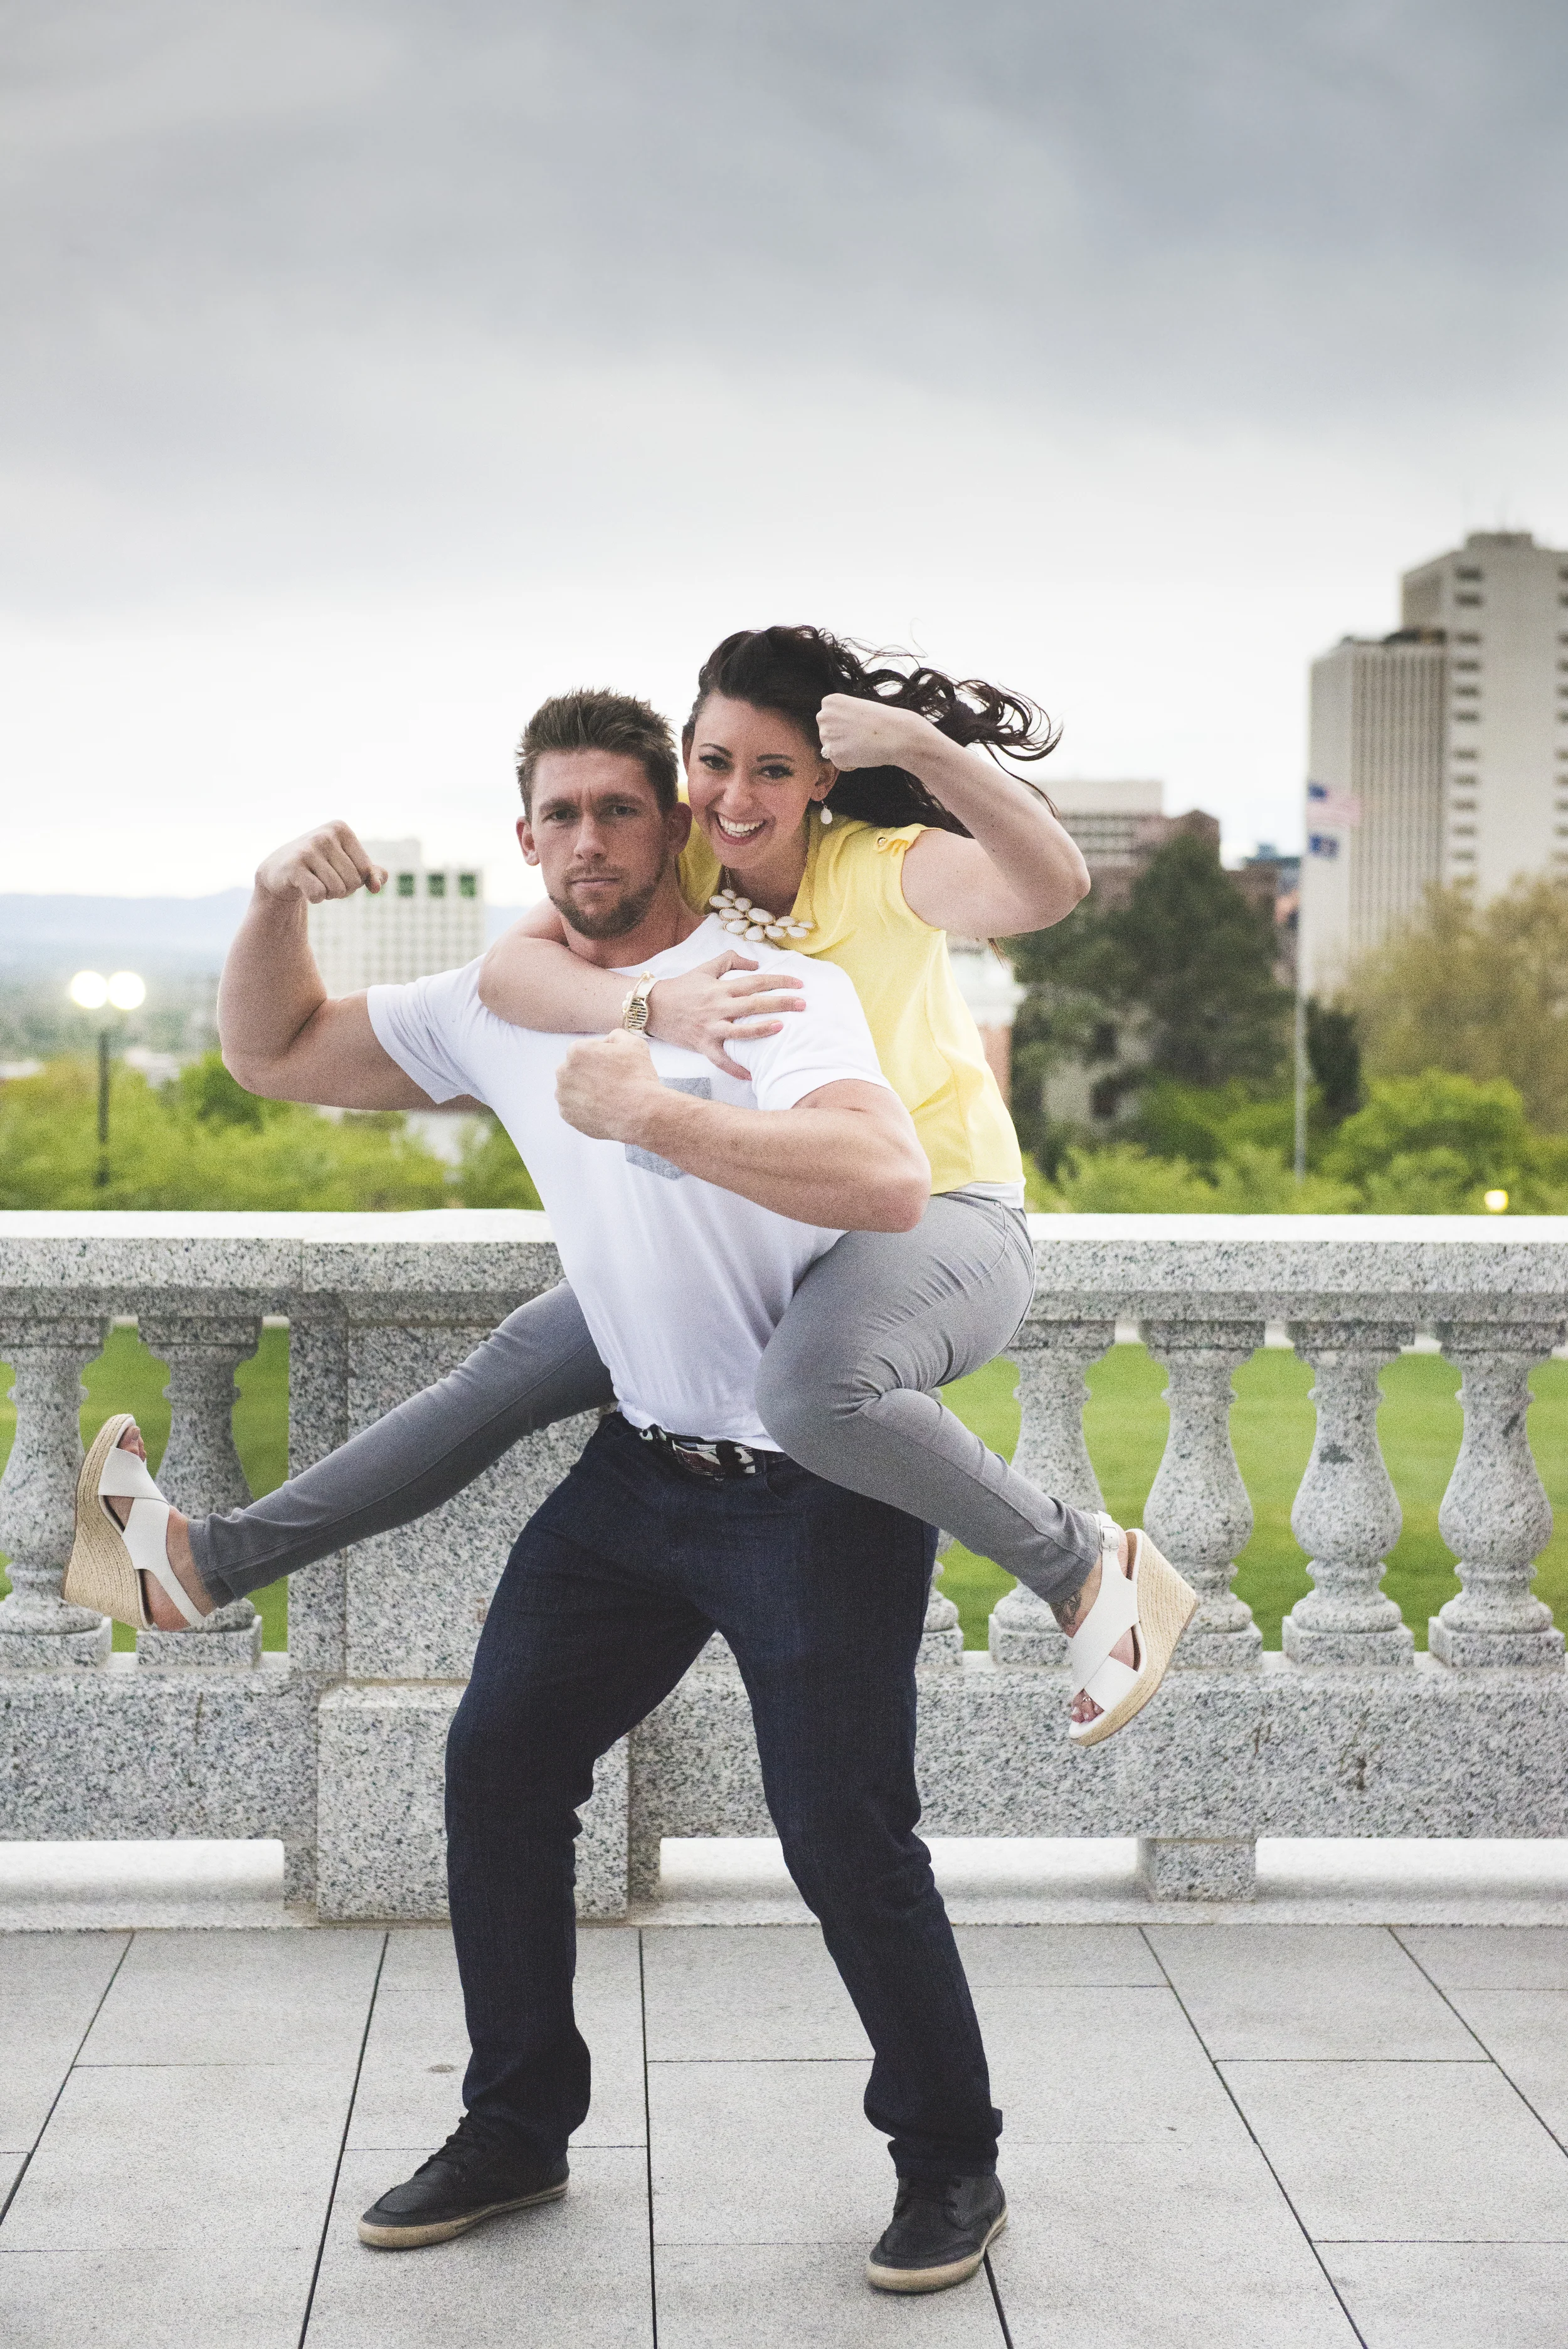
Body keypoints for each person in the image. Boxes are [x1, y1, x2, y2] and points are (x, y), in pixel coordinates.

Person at [74, 687, 1037, 2292]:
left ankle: (951, 2164)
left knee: (844, 1838)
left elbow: (879, 1177)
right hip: (636, 1480)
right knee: (498, 1769)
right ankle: (516, 2127)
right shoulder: (491, 1001)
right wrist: (268, 903)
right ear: (524, 840)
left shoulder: (762, 990)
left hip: (811, 1488)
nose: (591, 838)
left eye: (619, 808)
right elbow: (273, 1051)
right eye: (559, 815)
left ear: (670, 820)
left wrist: (656, 1093)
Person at [68, 628, 1197, 1744]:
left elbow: (1051, 888)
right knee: (508, 1374)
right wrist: (648, 1010)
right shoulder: (687, 856)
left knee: (813, 1393)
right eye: (713, 765)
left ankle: (1089, 1572)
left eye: (770, 770)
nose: (735, 797)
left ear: (823, 780)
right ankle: (198, 1565)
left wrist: (927, 748)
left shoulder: (877, 866)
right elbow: (514, 969)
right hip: (785, 1225)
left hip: (936, 1207)